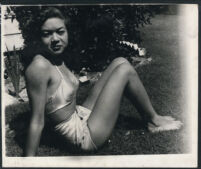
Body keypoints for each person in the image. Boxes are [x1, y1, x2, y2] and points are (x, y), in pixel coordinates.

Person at [23, 7, 182, 156]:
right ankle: (153, 120)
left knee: (120, 61)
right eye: (47, 34)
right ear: (38, 37)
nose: (55, 39)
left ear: (67, 32)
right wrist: (27, 161)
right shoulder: (39, 67)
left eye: (60, 32)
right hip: (83, 136)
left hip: (80, 114)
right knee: (124, 71)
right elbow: (37, 120)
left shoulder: (56, 58)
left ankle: (151, 118)